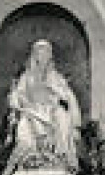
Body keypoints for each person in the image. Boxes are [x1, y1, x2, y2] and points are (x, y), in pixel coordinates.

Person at [8, 39, 80, 167]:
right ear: (34, 55)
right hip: (31, 112)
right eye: (40, 53)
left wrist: (55, 92)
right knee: (24, 132)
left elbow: (67, 97)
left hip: (52, 112)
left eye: (46, 53)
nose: (43, 56)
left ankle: (61, 158)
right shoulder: (26, 77)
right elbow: (17, 95)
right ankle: (30, 159)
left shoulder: (56, 77)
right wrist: (21, 104)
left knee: (62, 118)